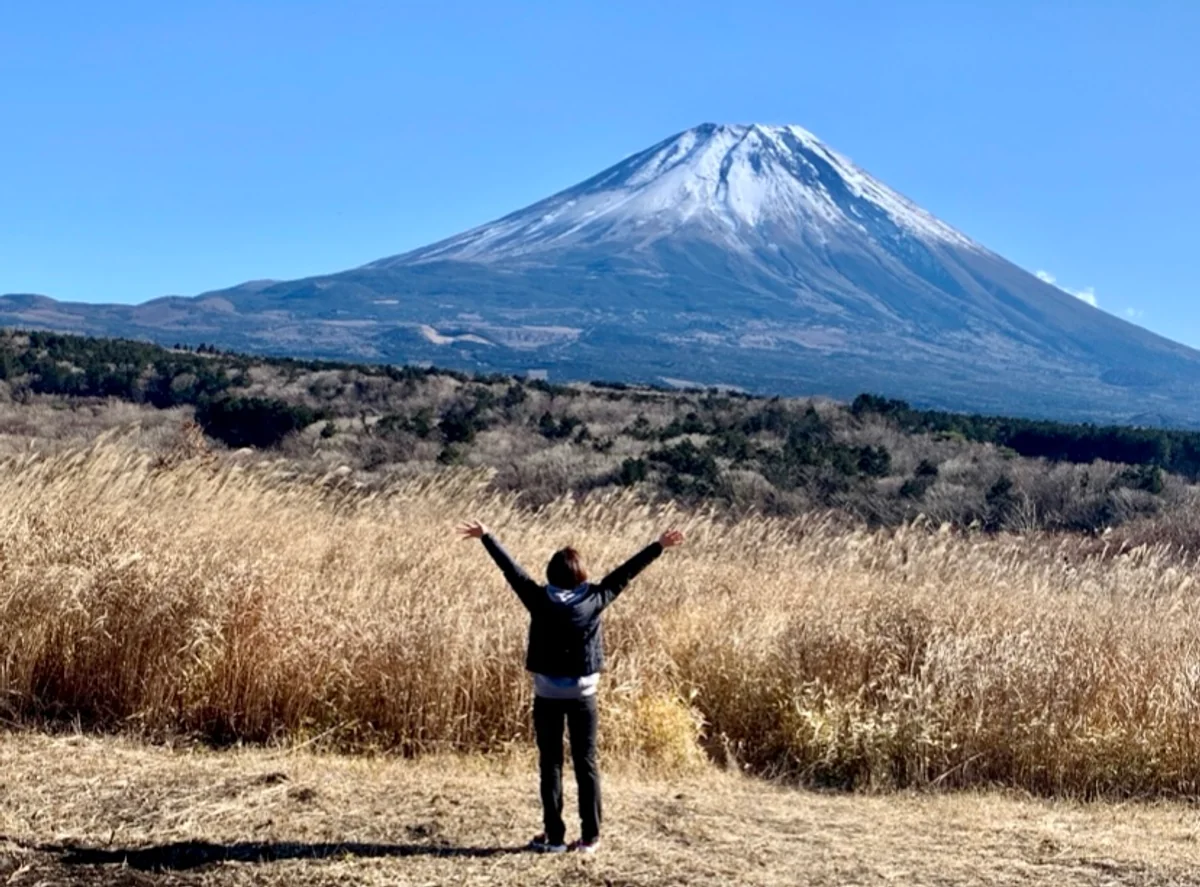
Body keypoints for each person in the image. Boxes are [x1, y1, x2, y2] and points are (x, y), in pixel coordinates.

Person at [457, 519, 685, 855]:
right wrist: (658, 546)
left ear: (550, 574)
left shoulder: (538, 599)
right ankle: (590, 838)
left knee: (550, 764)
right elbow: (625, 573)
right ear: (581, 575)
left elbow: (512, 571)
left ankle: (554, 838)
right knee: (586, 764)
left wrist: (486, 537)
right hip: (583, 696)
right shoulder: (594, 599)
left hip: (548, 694)